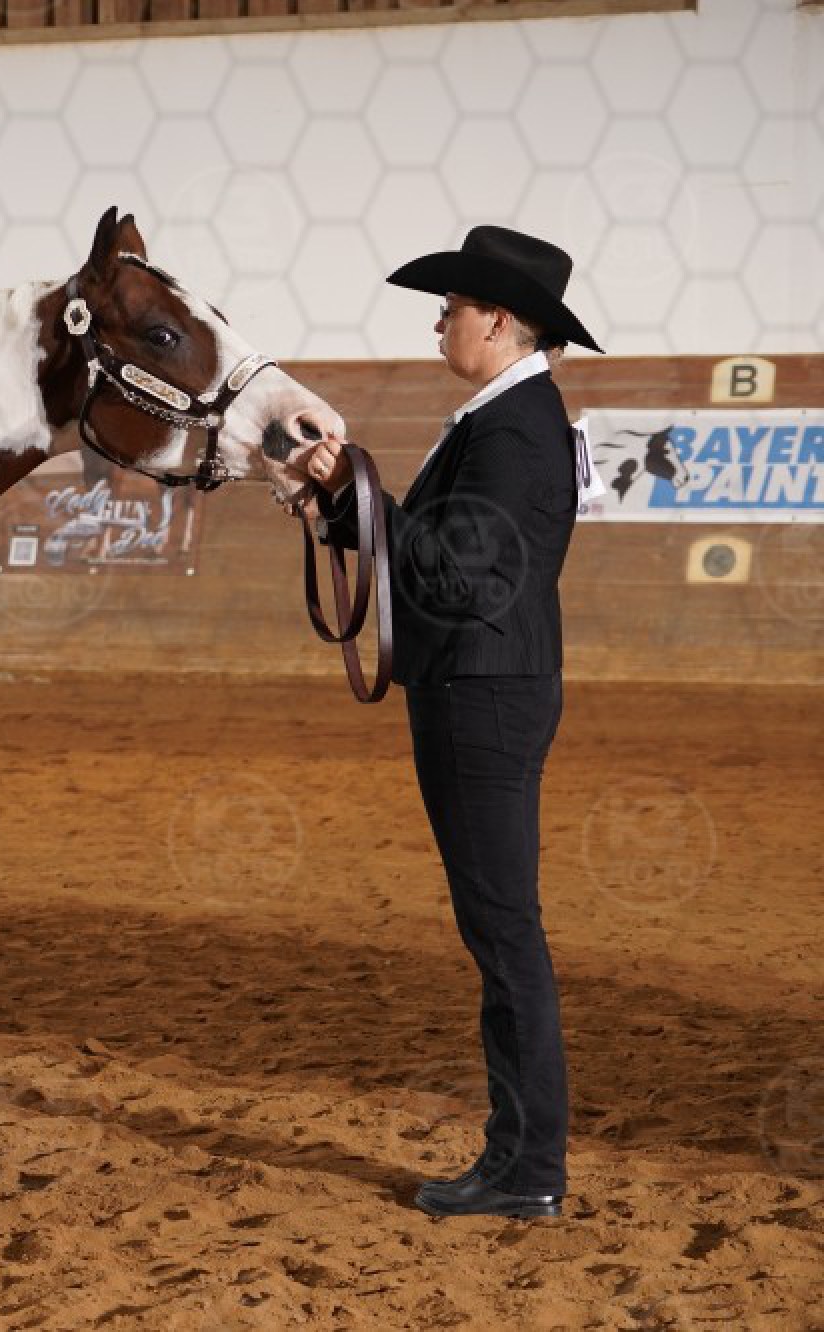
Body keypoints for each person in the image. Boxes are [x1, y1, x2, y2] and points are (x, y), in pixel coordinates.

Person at [293, 227, 603, 1220]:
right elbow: (436, 548)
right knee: (499, 930)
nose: (439, 325)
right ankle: (521, 1160)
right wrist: (341, 503)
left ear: (499, 321)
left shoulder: (512, 430)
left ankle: (526, 1166)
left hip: (483, 693)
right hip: (480, 686)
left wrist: (357, 491)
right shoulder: (504, 419)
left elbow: (459, 571)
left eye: (451, 310)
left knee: (504, 934)